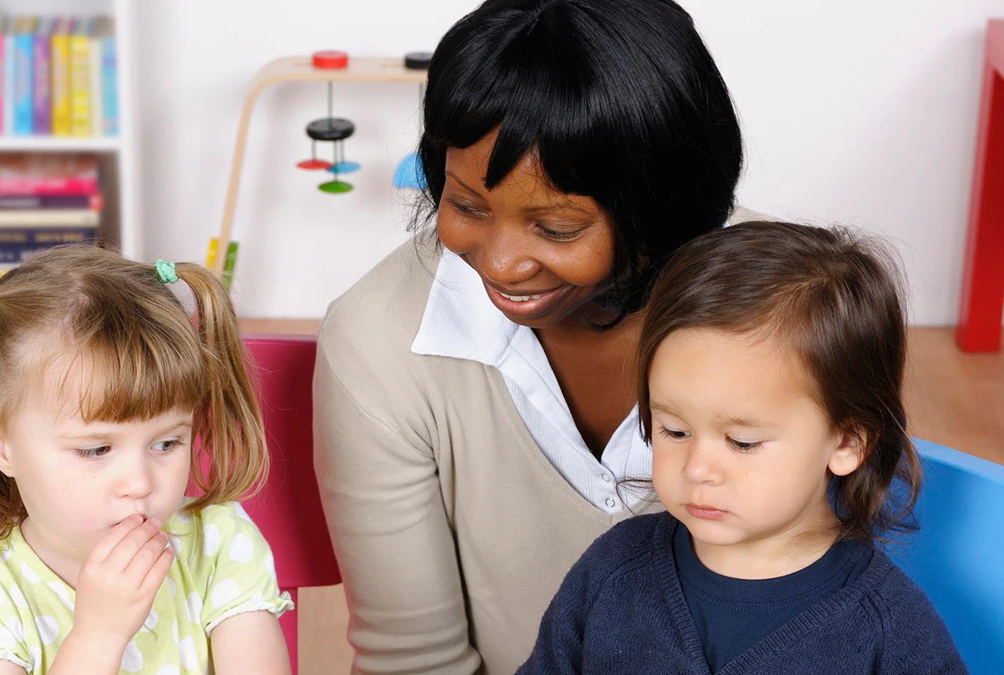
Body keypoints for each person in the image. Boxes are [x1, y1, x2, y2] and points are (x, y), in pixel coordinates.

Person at [312, 0, 745, 670]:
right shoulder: (377, 340)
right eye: (465, 205)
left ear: (657, 208)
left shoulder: (789, 319)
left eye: (556, 228)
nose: (502, 262)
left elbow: (830, 599)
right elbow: (413, 659)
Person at [520, 221, 967, 674]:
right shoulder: (613, 569)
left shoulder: (890, 633)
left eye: (742, 442)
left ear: (848, 441)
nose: (697, 469)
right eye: (674, 430)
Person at [0, 245, 293, 674]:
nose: (140, 482)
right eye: (95, 449)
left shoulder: (219, 542)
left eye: (167, 443)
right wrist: (98, 636)